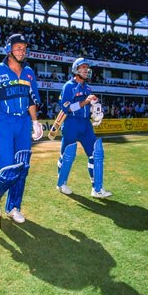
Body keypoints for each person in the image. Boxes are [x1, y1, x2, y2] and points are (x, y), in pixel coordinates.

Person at [0, 33, 43, 223]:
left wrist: (35, 121)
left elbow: (31, 100)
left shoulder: (29, 72)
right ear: (8, 50)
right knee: (7, 169)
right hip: (3, 124)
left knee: (23, 167)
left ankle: (13, 207)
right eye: (18, 48)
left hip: (23, 124)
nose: (22, 51)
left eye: (24, 48)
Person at [56, 57, 112, 199]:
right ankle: (61, 183)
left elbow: (87, 104)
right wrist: (83, 102)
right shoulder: (68, 86)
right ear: (76, 70)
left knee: (97, 153)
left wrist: (95, 107)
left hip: (86, 125)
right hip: (71, 124)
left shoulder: (87, 88)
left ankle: (97, 189)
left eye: (87, 68)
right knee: (67, 155)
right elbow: (66, 108)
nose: (86, 70)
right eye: (83, 68)